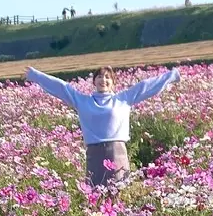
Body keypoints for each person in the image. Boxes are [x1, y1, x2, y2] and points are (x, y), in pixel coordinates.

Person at [26, 64, 181, 188]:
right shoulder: (82, 101)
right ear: (94, 81)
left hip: (117, 152)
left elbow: (145, 86)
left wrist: (171, 76)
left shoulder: (123, 99)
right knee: (96, 195)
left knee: (118, 191)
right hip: (94, 154)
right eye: (99, 76)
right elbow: (61, 87)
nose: (103, 80)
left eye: (107, 77)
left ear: (113, 83)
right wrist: (35, 75)